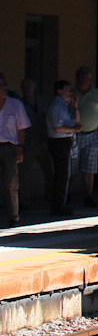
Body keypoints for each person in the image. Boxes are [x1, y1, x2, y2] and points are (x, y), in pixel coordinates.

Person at [72, 66, 98, 207]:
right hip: (73, 135)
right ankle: (66, 195)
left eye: (84, 77)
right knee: (71, 168)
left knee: (89, 168)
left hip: (92, 134)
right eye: (78, 77)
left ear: (90, 79)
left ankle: (88, 196)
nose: (81, 80)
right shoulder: (71, 93)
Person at [18, 78, 53, 210]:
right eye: (23, 87)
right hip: (28, 144)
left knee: (50, 171)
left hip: (43, 143)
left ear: (34, 87)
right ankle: (23, 200)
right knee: (23, 175)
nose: (26, 90)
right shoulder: (20, 104)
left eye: (28, 87)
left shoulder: (44, 101)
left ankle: (50, 196)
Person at [47, 80, 80, 216]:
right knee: (61, 174)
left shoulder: (63, 105)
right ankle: (58, 206)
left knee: (64, 174)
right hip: (59, 141)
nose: (70, 93)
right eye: (67, 90)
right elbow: (58, 127)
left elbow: (76, 120)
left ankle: (61, 203)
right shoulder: (57, 105)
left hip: (65, 141)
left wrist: (75, 106)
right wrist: (73, 129)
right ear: (59, 91)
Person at [0, 73, 30, 227]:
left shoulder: (16, 104)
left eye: (4, 85)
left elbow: (21, 128)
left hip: (9, 148)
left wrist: (20, 148)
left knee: (11, 183)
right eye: (0, 86)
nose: (3, 88)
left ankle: (14, 217)